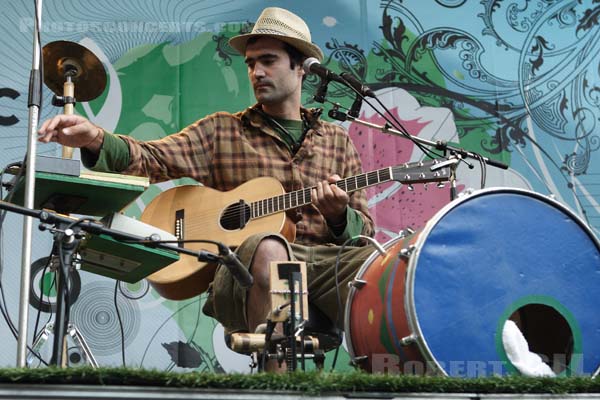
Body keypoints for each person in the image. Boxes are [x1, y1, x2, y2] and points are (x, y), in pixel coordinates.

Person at [38, 7, 376, 369]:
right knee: (269, 246)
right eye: (250, 63)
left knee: (376, 265)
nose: (256, 72)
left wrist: (339, 216)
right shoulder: (222, 131)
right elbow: (152, 158)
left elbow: (364, 232)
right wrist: (96, 139)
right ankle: (279, 387)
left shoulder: (338, 142)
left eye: (268, 61)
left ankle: (390, 376)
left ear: (301, 67)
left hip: (322, 268)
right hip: (243, 273)